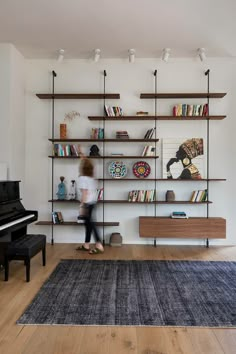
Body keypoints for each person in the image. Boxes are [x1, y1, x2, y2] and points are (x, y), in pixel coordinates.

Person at [76, 158, 104, 254]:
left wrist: (82, 206)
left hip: (87, 203)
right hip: (93, 203)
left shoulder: (82, 178)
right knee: (88, 224)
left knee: (91, 224)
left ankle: (99, 245)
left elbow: (85, 193)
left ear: (82, 168)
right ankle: (86, 245)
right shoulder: (92, 179)